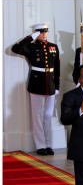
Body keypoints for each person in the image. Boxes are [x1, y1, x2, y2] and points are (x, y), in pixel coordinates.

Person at [12, 22, 60, 156]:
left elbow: (57, 67)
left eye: (45, 32)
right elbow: (15, 49)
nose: (44, 34)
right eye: (40, 32)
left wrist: (57, 85)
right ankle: (40, 145)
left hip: (50, 85)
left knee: (48, 116)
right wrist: (30, 37)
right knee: (37, 116)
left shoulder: (53, 47)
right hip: (36, 84)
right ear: (36, 33)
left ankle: (49, 144)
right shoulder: (30, 47)